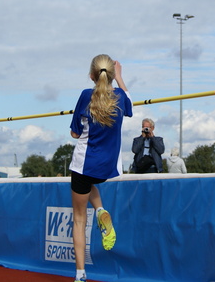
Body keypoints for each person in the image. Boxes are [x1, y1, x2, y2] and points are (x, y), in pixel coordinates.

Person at [68, 55, 132, 282]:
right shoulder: (122, 98)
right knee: (90, 183)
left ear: (91, 76)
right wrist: (121, 78)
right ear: (112, 75)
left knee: (78, 219)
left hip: (84, 164)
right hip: (108, 167)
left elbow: (75, 133)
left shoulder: (86, 95)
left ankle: (80, 275)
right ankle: (100, 210)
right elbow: (128, 101)